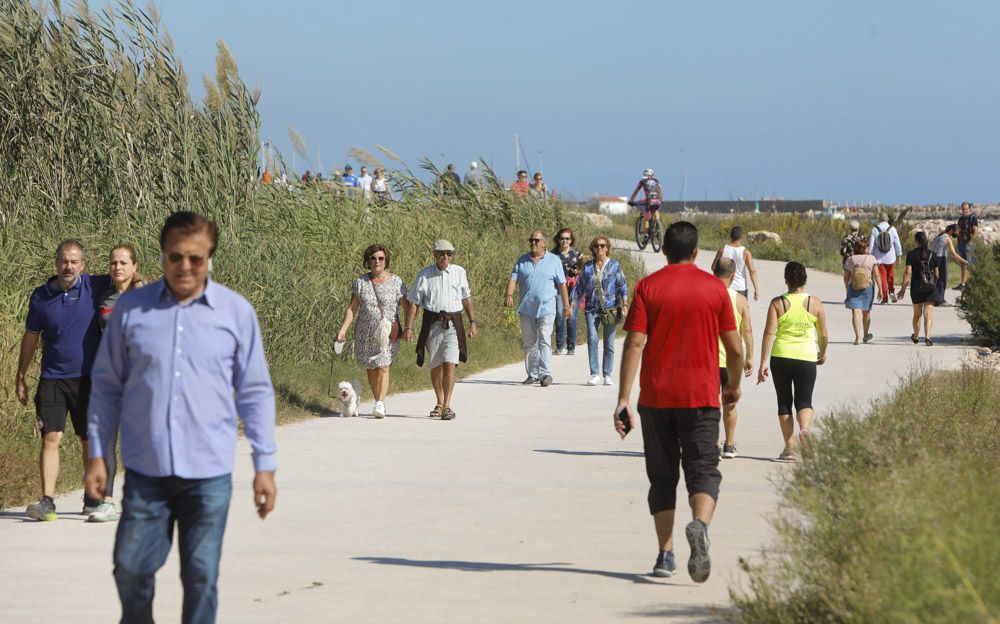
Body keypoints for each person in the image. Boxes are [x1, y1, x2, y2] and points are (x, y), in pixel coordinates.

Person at [85, 212, 277, 623]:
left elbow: (255, 392)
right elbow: (105, 386)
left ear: (209, 257)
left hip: (207, 474)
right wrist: (98, 454)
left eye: (196, 258)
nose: (186, 266)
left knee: (201, 576)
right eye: (176, 257)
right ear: (162, 256)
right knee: (131, 568)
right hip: (145, 472)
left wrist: (265, 465)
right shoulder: (132, 310)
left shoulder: (235, 313)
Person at [615, 221, 743, 582]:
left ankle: (665, 555)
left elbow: (634, 343)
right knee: (703, 470)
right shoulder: (714, 290)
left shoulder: (647, 287)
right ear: (696, 252)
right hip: (701, 397)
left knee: (662, 477)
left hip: (656, 398)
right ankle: (700, 525)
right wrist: (732, 386)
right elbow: (734, 348)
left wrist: (623, 399)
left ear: (664, 251)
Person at [17, 240, 111, 521]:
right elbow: (31, 337)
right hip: (52, 379)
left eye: (74, 261)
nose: (68, 266)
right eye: (64, 261)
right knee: (50, 437)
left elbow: (128, 277)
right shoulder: (40, 296)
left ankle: (91, 497)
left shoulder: (95, 287)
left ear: (82, 265)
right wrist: (21, 375)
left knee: (87, 440)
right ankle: (47, 501)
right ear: (56, 262)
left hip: (87, 380)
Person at [84, 245, 146, 523]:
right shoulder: (104, 296)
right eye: (113, 263)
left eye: (123, 262)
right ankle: (107, 502)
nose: (117, 267)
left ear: (134, 265)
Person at [758, 262, 829, 461]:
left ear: (786, 280)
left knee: (784, 401)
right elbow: (823, 334)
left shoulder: (777, 302)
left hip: (781, 356)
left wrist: (763, 362)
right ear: (805, 279)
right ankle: (804, 429)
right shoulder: (815, 303)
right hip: (806, 356)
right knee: (804, 399)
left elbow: (769, 333)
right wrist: (821, 352)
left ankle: (789, 449)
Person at [404, 240, 477, 420]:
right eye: (442, 253)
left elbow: (466, 298)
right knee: (436, 364)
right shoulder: (424, 275)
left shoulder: (460, 272)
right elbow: (414, 302)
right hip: (433, 322)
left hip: (453, 322)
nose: (446, 257)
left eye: (449, 254)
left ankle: (447, 405)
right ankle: (439, 400)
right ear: (434, 255)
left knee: (449, 362)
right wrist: (408, 327)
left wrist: (473, 322)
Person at [336, 244, 408, 418]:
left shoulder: (397, 282)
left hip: (387, 333)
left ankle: (380, 403)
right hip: (365, 332)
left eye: (381, 258)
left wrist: (408, 328)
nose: (377, 261)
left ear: (386, 261)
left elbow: (407, 307)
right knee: (371, 368)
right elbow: (352, 308)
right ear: (368, 261)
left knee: (383, 365)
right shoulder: (361, 282)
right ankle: (378, 401)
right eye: (373, 258)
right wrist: (343, 330)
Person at [504, 230, 571, 387]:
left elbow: (562, 284)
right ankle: (532, 374)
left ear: (544, 243)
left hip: (547, 308)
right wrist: (509, 295)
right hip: (527, 308)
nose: (533, 243)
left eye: (536, 240)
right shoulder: (522, 260)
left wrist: (566, 306)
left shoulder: (554, 260)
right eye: (531, 240)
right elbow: (513, 279)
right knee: (529, 342)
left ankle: (545, 373)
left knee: (544, 339)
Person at [712, 258, 753, 459]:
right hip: (730, 362)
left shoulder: (704, 295)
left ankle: (711, 445)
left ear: (714, 271)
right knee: (729, 404)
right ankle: (729, 445)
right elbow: (747, 331)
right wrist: (750, 357)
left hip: (707, 361)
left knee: (708, 406)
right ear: (733, 276)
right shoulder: (740, 300)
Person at [574, 236, 629, 386]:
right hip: (591, 308)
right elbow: (580, 287)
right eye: (597, 246)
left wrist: (624, 303)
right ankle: (594, 374)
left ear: (607, 248)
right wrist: (572, 304)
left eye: (603, 246)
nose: (600, 248)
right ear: (593, 248)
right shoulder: (587, 267)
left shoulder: (615, 266)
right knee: (592, 339)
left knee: (609, 343)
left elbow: (622, 285)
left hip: (610, 307)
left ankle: (607, 374)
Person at [897, 231, 938, 346]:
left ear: (916, 241)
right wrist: (934, 284)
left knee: (917, 314)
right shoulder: (932, 255)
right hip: (930, 288)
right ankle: (928, 337)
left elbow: (907, 272)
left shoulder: (911, 254)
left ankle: (916, 335)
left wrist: (903, 289)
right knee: (928, 313)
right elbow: (937, 274)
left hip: (916, 287)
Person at [842, 238, 880, 344]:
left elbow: (846, 277)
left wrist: (847, 288)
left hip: (853, 287)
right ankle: (865, 334)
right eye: (867, 247)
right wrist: (881, 289)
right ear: (864, 248)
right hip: (868, 287)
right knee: (866, 312)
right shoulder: (872, 259)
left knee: (855, 311)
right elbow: (876, 275)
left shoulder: (850, 259)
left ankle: (857, 337)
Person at [552, 228, 582, 356]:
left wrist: (579, 271)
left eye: (567, 238)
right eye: (562, 238)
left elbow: (585, 267)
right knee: (560, 315)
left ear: (571, 240)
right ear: (558, 240)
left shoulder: (577, 253)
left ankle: (571, 346)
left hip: (574, 288)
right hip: (558, 288)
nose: (565, 241)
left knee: (571, 317)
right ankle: (559, 345)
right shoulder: (553, 254)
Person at [710, 226, 760, 301]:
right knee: (741, 311)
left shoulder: (722, 250)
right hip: (741, 288)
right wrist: (756, 289)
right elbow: (752, 271)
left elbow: (713, 267)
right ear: (741, 237)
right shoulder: (745, 252)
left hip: (725, 287)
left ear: (730, 236)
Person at [867, 212, 903, 304]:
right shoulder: (892, 229)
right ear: (887, 219)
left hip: (879, 258)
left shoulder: (875, 229)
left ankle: (885, 298)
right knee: (890, 276)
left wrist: (870, 257)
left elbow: (871, 245)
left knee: (882, 277)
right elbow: (897, 243)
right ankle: (891, 291)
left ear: (879, 219)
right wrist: (899, 255)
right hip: (890, 257)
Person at [930, 224, 968, 306]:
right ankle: (940, 300)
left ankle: (935, 299)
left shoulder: (940, 235)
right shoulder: (947, 239)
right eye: (956, 232)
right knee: (942, 280)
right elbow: (953, 254)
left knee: (936, 279)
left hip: (933, 257)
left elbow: (932, 246)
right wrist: (965, 262)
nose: (957, 234)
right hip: (940, 259)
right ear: (951, 231)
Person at [627, 168, 663, 235]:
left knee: (646, 218)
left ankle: (646, 234)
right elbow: (660, 191)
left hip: (648, 201)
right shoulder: (656, 181)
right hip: (658, 200)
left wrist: (631, 200)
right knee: (656, 210)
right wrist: (660, 200)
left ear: (644, 174)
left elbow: (636, 191)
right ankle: (658, 224)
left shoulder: (642, 181)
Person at [955, 201, 979, 290]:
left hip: (969, 244)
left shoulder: (973, 218)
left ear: (969, 209)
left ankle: (973, 283)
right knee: (963, 264)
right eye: (963, 209)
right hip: (961, 243)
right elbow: (958, 230)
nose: (964, 211)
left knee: (971, 264)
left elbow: (975, 231)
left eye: (966, 209)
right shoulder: (961, 218)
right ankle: (963, 284)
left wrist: (970, 242)